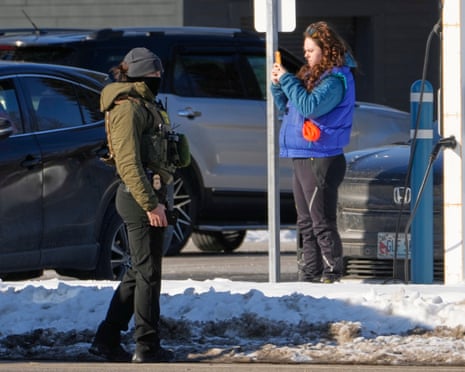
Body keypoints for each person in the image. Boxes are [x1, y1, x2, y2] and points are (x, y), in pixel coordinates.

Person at [89, 47, 174, 363]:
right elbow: (128, 163)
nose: (159, 79)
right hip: (139, 199)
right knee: (148, 274)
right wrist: (152, 205)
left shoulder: (145, 104)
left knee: (139, 272)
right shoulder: (128, 109)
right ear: (140, 76)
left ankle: (106, 339)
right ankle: (147, 347)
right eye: (155, 75)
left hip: (151, 196)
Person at [270, 21, 357, 283]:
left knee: (320, 221)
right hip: (302, 153)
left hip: (321, 156)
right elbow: (290, 106)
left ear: (326, 50)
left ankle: (331, 273)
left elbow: (310, 107)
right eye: (305, 50)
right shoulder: (312, 75)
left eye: (310, 50)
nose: (305, 55)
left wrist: (287, 78)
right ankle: (309, 273)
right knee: (305, 222)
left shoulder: (335, 80)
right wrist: (278, 86)